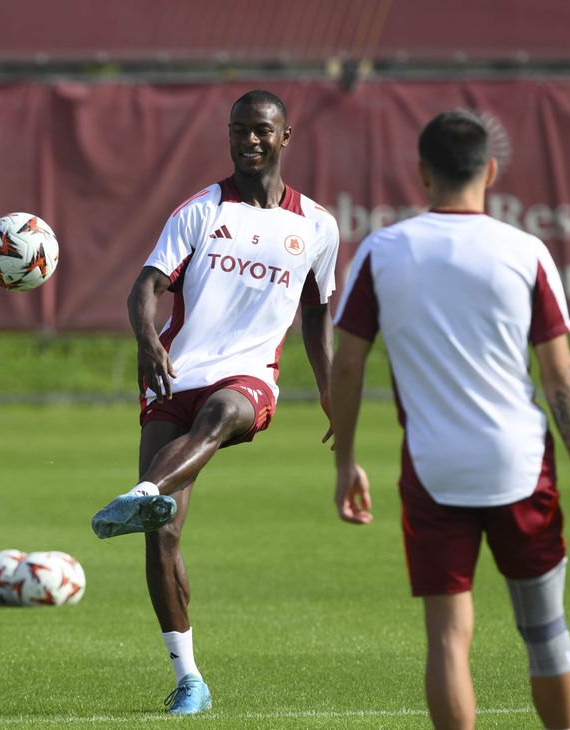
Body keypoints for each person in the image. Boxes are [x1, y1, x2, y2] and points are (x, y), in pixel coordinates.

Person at [90, 89, 340, 715]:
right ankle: (189, 679)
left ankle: (144, 492)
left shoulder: (316, 225)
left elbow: (317, 317)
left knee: (222, 415)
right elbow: (145, 287)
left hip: (250, 375)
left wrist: (334, 391)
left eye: (261, 131)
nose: (248, 141)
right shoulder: (200, 211)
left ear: (286, 137)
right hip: (176, 373)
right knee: (164, 536)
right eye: (238, 131)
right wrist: (147, 340)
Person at [330, 109, 570, 730]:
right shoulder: (526, 250)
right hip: (521, 464)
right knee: (546, 633)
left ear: (422, 174)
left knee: (447, 639)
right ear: (491, 171)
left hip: (433, 469)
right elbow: (561, 378)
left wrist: (345, 462)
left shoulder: (383, 251)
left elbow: (348, 367)